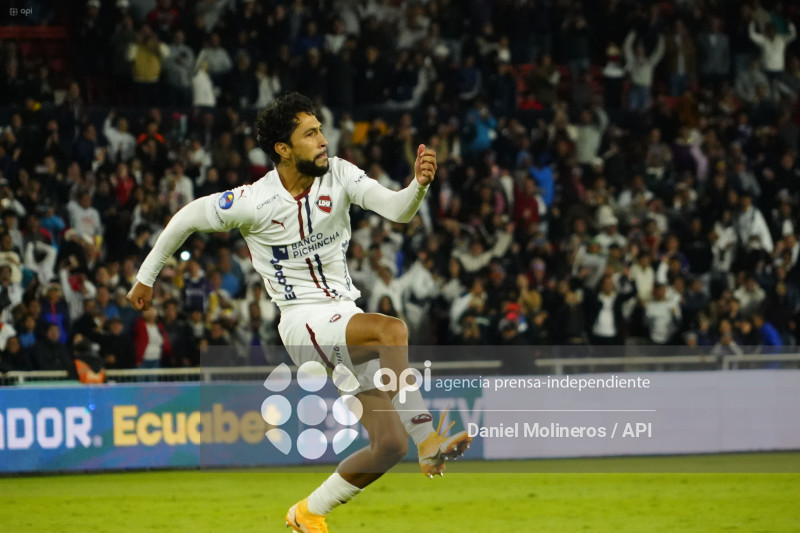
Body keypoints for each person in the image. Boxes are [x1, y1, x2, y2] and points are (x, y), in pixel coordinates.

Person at [127, 93, 471, 532]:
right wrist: (146, 277)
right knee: (392, 331)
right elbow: (187, 218)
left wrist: (418, 187)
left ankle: (308, 512)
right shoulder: (254, 201)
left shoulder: (341, 175)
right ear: (283, 149)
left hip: (344, 317)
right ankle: (430, 439)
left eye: (321, 130)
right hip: (303, 326)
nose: (323, 140)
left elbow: (398, 211)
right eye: (310, 134)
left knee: (387, 445)